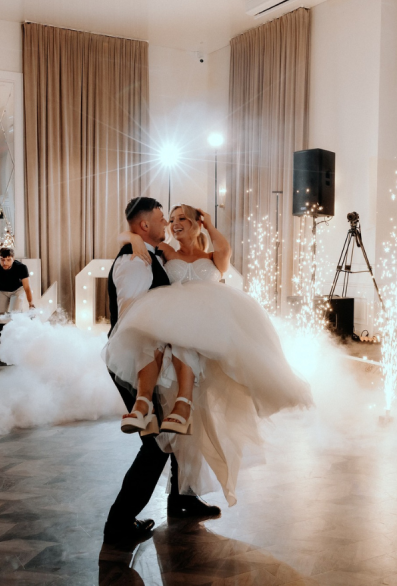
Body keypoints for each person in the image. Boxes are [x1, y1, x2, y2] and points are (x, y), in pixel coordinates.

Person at [105, 201, 312, 512]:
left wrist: (209, 224)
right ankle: (152, 509)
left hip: (204, 343)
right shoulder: (161, 253)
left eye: (181, 218)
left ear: (196, 223)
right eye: (169, 219)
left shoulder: (210, 257)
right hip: (169, 344)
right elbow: (132, 240)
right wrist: (132, 238)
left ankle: (183, 498)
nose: (173, 223)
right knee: (171, 432)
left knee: (195, 422)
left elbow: (223, 250)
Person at [102, 197, 222, 544]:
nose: (166, 225)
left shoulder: (149, 254)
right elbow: (134, 318)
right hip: (135, 361)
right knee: (156, 444)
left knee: (178, 425)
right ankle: (119, 523)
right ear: (144, 226)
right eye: (160, 219)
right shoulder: (135, 261)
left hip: (154, 358)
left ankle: (182, 499)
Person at [0, 248, 34, 316]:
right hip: (1, 291)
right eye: (2, 259)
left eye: (8, 260)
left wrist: (30, 303)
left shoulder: (21, 267)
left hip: (17, 291)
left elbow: (27, 287)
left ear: (13, 259)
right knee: (1, 316)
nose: (5, 263)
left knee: (15, 315)